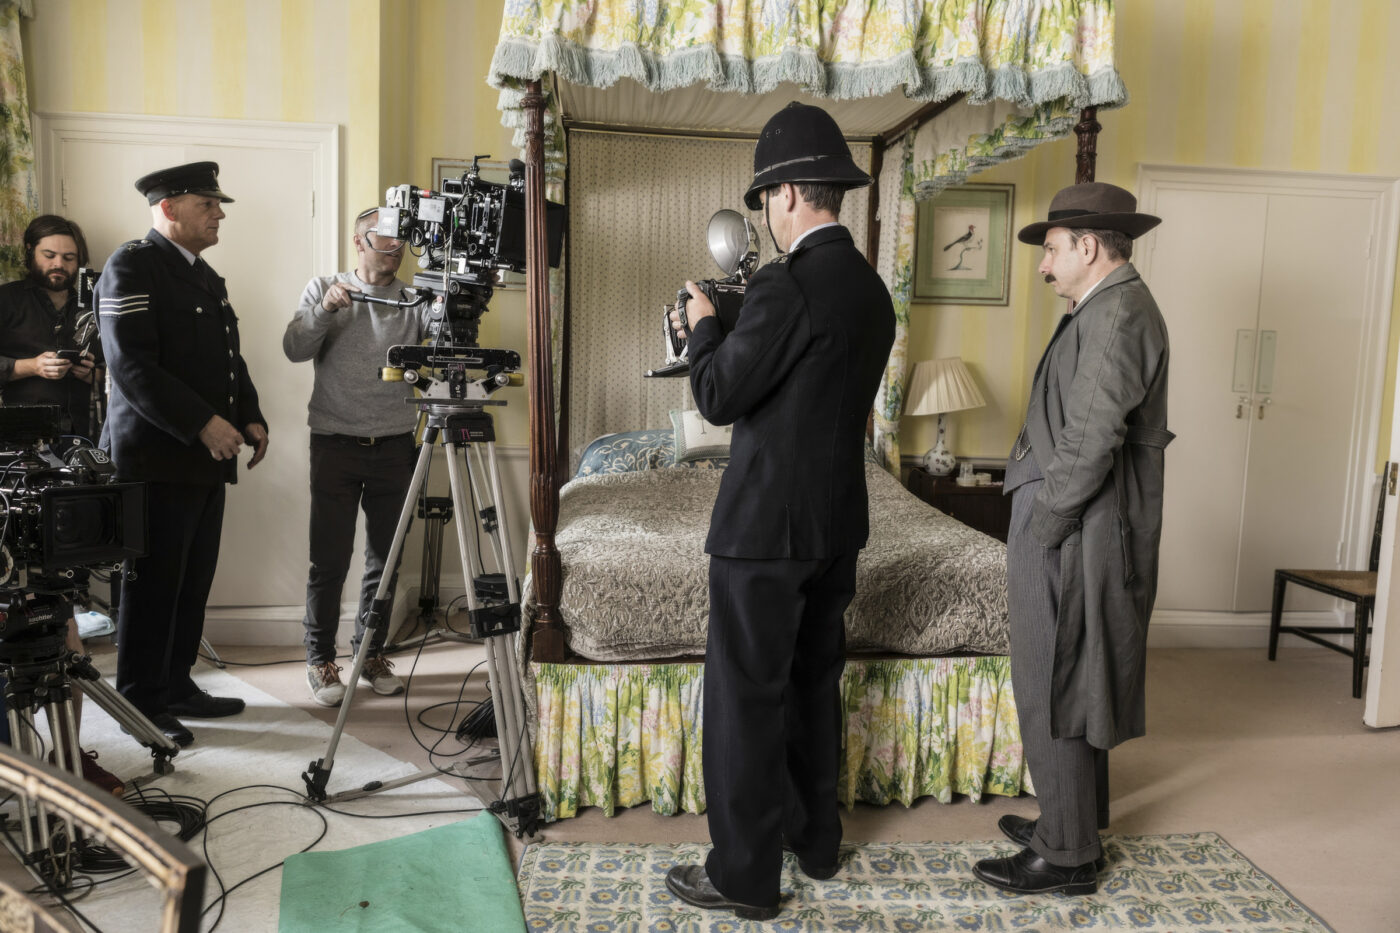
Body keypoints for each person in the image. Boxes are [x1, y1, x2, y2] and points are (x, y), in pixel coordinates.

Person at [661, 102, 895, 921]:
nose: (765, 208)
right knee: (810, 686)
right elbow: (805, 381)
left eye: (765, 196)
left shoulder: (783, 284)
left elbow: (718, 395)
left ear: (789, 193)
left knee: (744, 702)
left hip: (765, 530)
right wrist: (735, 325)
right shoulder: (871, 290)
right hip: (837, 525)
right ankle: (816, 841)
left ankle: (744, 876)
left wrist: (702, 328)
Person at [973, 182, 1172, 896]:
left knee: (1051, 680)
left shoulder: (1116, 313)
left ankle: (1066, 856)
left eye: (1052, 249)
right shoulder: (1109, 305)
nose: (1043, 264)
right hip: (1074, 519)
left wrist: (1044, 527)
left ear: (1088, 246)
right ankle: (1072, 820)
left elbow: (1089, 441)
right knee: (1073, 677)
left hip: (1072, 525)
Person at [96, 162, 268, 748]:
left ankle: (175, 685)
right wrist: (201, 423)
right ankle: (141, 702)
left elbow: (228, 358)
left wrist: (250, 414)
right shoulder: (131, 266)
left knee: (191, 581)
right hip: (155, 457)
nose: (219, 214)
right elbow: (131, 366)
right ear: (168, 207)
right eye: (208, 204)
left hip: (203, 456)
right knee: (153, 587)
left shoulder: (205, 276)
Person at [283, 208, 432, 706]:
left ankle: (370, 653)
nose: (393, 248)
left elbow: (443, 349)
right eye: (382, 239)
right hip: (334, 442)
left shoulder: (415, 299)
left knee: (385, 562)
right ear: (358, 241)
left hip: (395, 444)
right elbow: (294, 348)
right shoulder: (325, 287)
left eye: (400, 241)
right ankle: (320, 660)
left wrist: (445, 306)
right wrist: (325, 309)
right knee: (328, 560)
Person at [0, 214, 123, 795]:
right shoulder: (6, 301)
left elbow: (111, 376)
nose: (60, 265)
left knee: (59, 598)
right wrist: (29, 367)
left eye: (69, 257)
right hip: (9, 466)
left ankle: (70, 752)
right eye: (50, 255)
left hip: (71, 459)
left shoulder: (91, 302)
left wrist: (89, 370)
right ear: (31, 253)